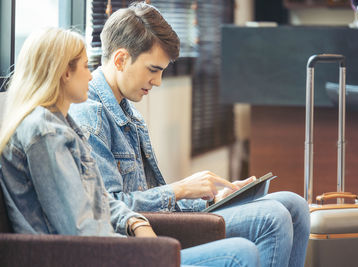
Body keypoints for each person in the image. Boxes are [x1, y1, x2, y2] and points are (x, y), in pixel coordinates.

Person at [69, 2, 311, 266]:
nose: (158, 82)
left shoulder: (129, 114)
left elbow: (155, 202)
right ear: (121, 59)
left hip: (158, 222)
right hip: (137, 237)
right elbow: (112, 207)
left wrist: (215, 198)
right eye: (153, 70)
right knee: (273, 218)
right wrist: (182, 188)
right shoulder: (91, 116)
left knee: (294, 205)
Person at [0, 27, 261, 267]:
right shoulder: (45, 133)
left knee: (243, 248)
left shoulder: (61, 123)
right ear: (64, 73)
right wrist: (134, 250)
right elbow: (77, 230)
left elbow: (99, 198)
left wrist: (135, 221)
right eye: (83, 66)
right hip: (100, 255)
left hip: (114, 246)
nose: (91, 75)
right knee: (240, 254)